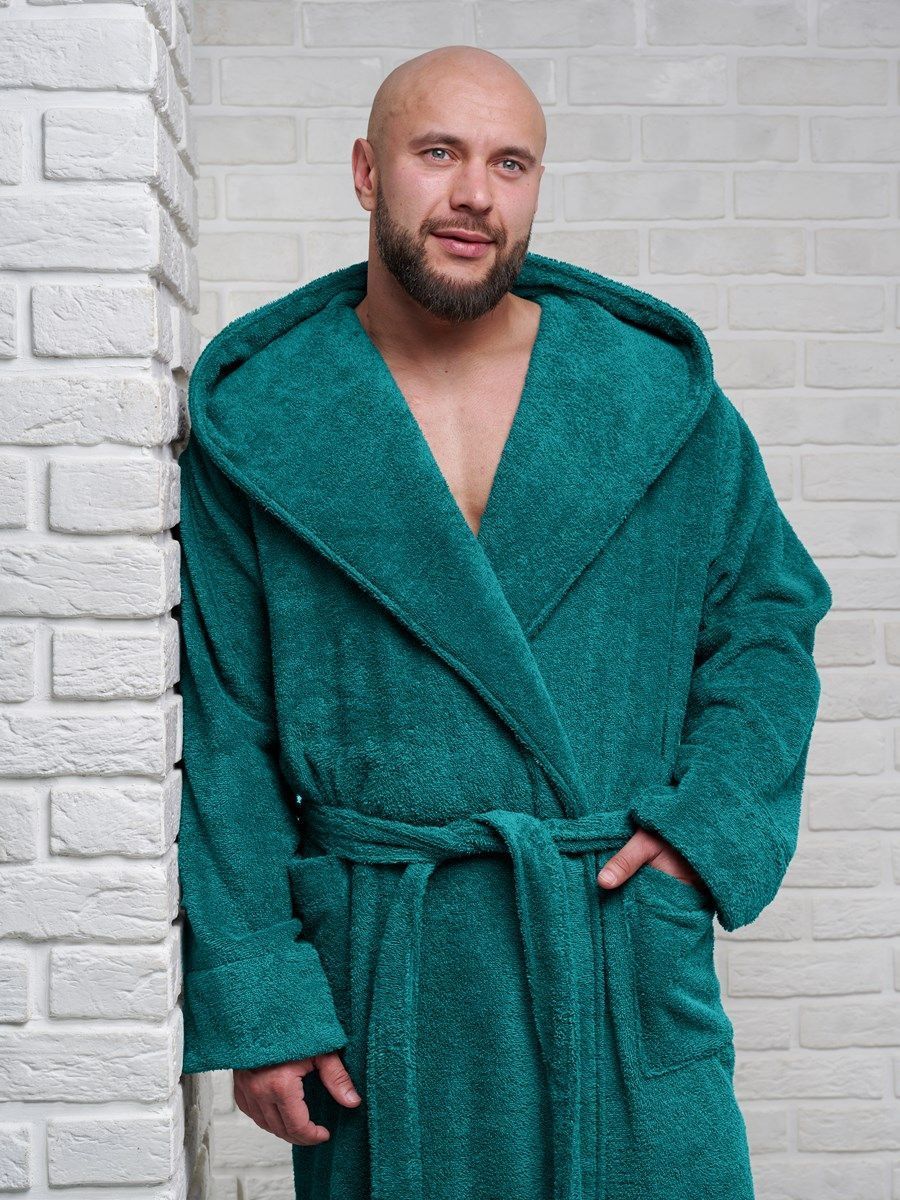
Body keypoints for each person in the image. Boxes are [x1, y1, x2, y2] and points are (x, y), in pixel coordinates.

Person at [175, 43, 832, 1200]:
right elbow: (226, 727)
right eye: (439, 153)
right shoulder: (269, 419)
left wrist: (705, 831)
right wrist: (263, 992)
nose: (475, 193)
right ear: (367, 171)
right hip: (393, 977)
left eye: (510, 163)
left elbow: (767, 618)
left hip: (613, 944)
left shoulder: (651, 396)